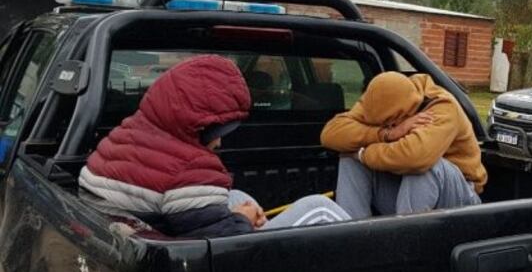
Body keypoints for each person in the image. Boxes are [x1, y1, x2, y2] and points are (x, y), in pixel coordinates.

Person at [80, 55, 349, 238]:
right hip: (200, 258)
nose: (219, 142)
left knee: (237, 197)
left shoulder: (128, 132)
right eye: (217, 131)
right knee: (318, 208)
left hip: (150, 234)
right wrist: (242, 221)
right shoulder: (189, 168)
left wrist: (242, 215)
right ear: (197, 123)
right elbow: (226, 243)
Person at [320, 71, 487, 219]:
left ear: (407, 113)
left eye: (390, 123)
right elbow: (330, 134)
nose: (388, 125)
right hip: (410, 195)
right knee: (349, 158)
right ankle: (353, 238)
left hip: (460, 200)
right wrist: (386, 133)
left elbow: (415, 157)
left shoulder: (441, 107)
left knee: (426, 167)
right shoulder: (381, 99)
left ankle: (403, 245)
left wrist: (363, 155)